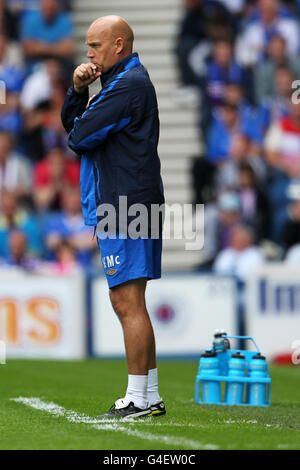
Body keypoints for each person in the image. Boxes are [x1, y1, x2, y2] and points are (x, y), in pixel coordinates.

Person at [61, 16, 165, 419]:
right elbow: (78, 129)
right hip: (130, 202)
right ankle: (148, 394)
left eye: (95, 46)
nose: (89, 54)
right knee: (131, 300)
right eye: (88, 46)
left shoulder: (127, 86)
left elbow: (77, 135)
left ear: (118, 45)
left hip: (125, 206)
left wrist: (80, 93)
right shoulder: (125, 82)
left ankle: (138, 398)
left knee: (126, 301)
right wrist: (77, 90)